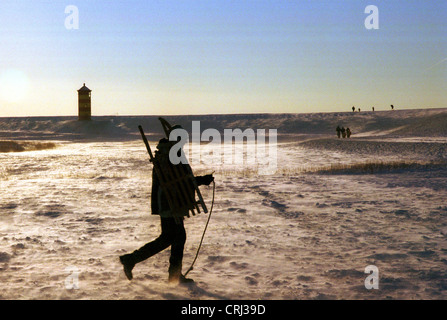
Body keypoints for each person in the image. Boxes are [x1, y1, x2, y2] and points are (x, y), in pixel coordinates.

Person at [119, 137, 214, 284]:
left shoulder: (165, 154)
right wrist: (202, 180)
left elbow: (179, 179)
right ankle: (132, 260)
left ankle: (173, 275)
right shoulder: (171, 156)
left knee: (175, 237)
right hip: (170, 203)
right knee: (170, 238)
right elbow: (180, 180)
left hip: (168, 203)